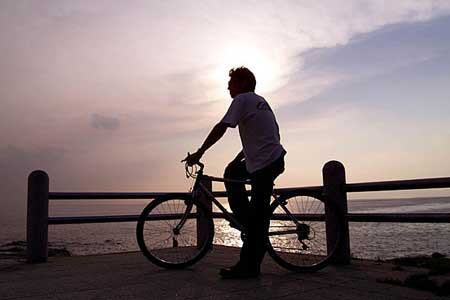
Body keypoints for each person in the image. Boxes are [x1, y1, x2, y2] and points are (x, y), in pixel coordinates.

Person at [183, 66, 286, 279]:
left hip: (265, 165)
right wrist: (241, 157)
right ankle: (245, 220)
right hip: (272, 159)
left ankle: (248, 265)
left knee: (257, 217)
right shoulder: (260, 101)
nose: (227, 86)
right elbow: (266, 134)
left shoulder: (242, 99)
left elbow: (222, 127)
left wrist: (199, 152)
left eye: (231, 83)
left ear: (243, 83)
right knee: (232, 171)